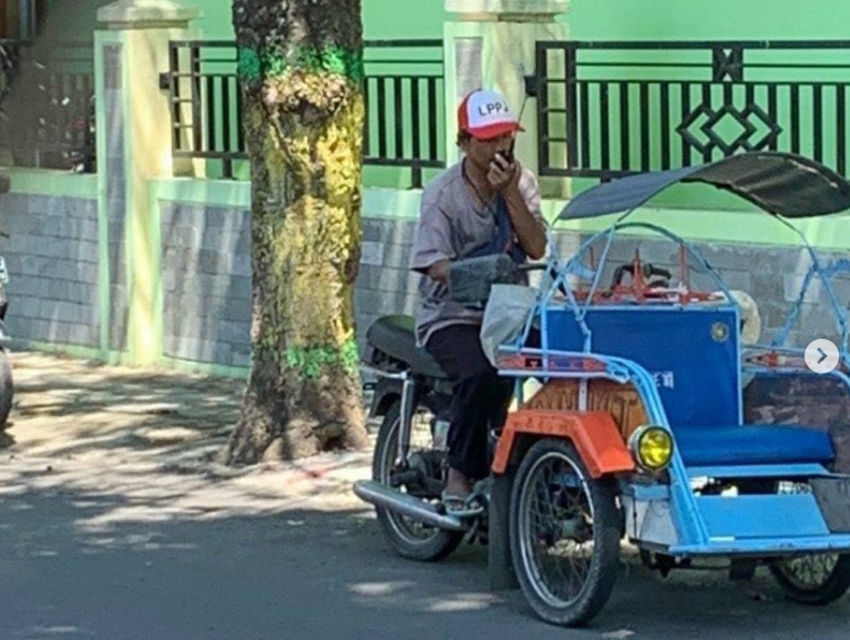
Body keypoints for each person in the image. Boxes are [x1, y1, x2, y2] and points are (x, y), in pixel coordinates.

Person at [410, 88, 547, 511]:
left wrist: (510, 194)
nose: (499, 146)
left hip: (507, 313)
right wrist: (474, 275)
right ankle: (460, 473)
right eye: (488, 139)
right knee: (477, 373)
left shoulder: (521, 182)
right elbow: (434, 264)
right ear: (465, 142)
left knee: (564, 362)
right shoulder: (443, 195)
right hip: (451, 315)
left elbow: (537, 247)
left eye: (506, 136)